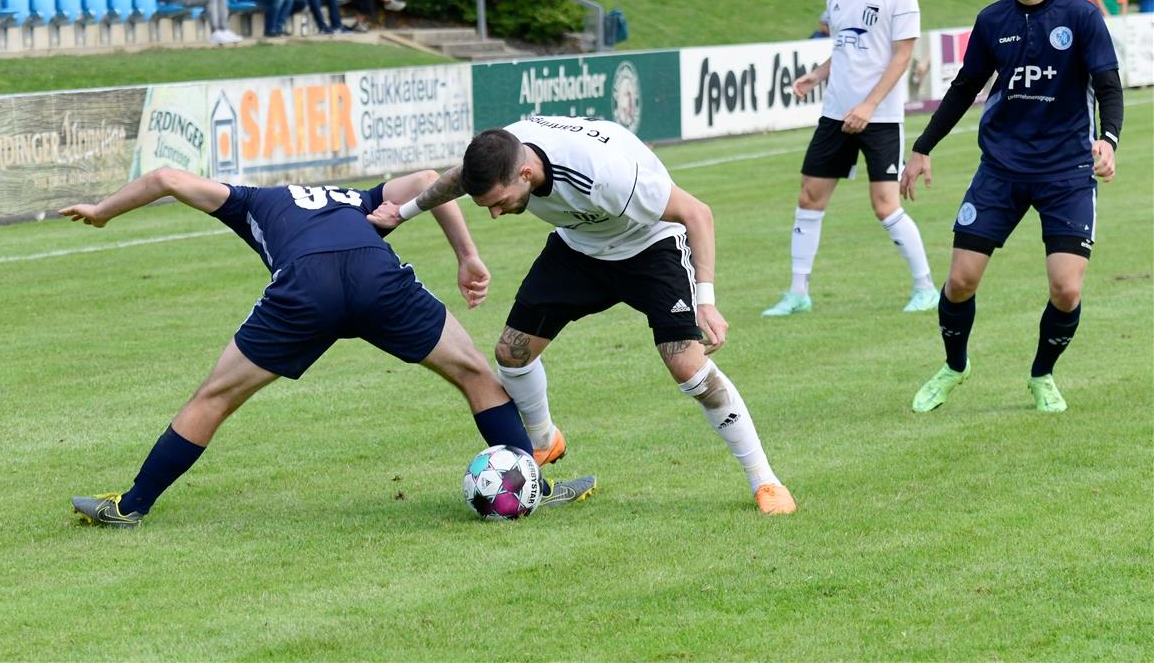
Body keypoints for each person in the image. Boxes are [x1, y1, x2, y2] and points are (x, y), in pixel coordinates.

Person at [61, 167, 597, 527]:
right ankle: (535, 487)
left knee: (214, 399)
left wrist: (105, 210)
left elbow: (165, 178)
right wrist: (467, 255)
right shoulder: (361, 198)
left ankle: (130, 507)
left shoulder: (251, 200)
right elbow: (433, 181)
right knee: (477, 376)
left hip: (305, 289)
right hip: (375, 278)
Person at [369, 117, 798, 516]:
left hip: (649, 247)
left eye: (499, 203)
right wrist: (402, 213)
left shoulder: (605, 174)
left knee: (686, 365)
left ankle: (765, 481)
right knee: (511, 353)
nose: (495, 214)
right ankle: (543, 441)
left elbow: (697, 213)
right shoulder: (501, 151)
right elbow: (455, 181)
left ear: (525, 175)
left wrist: (705, 299)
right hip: (580, 248)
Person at [901, 0, 1123, 414]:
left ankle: (1042, 375)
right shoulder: (992, 20)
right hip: (1000, 168)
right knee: (960, 281)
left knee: (1066, 289)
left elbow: (1108, 87)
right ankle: (955, 366)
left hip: (1066, 171)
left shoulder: (1082, 17)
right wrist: (922, 147)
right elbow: (963, 90)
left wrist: (1108, 141)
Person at [762, 0, 938, 318]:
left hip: (879, 117)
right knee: (809, 196)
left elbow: (901, 56)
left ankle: (925, 287)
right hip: (836, 114)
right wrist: (818, 74)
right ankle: (797, 293)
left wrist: (869, 105)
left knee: (885, 206)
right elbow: (845, 47)